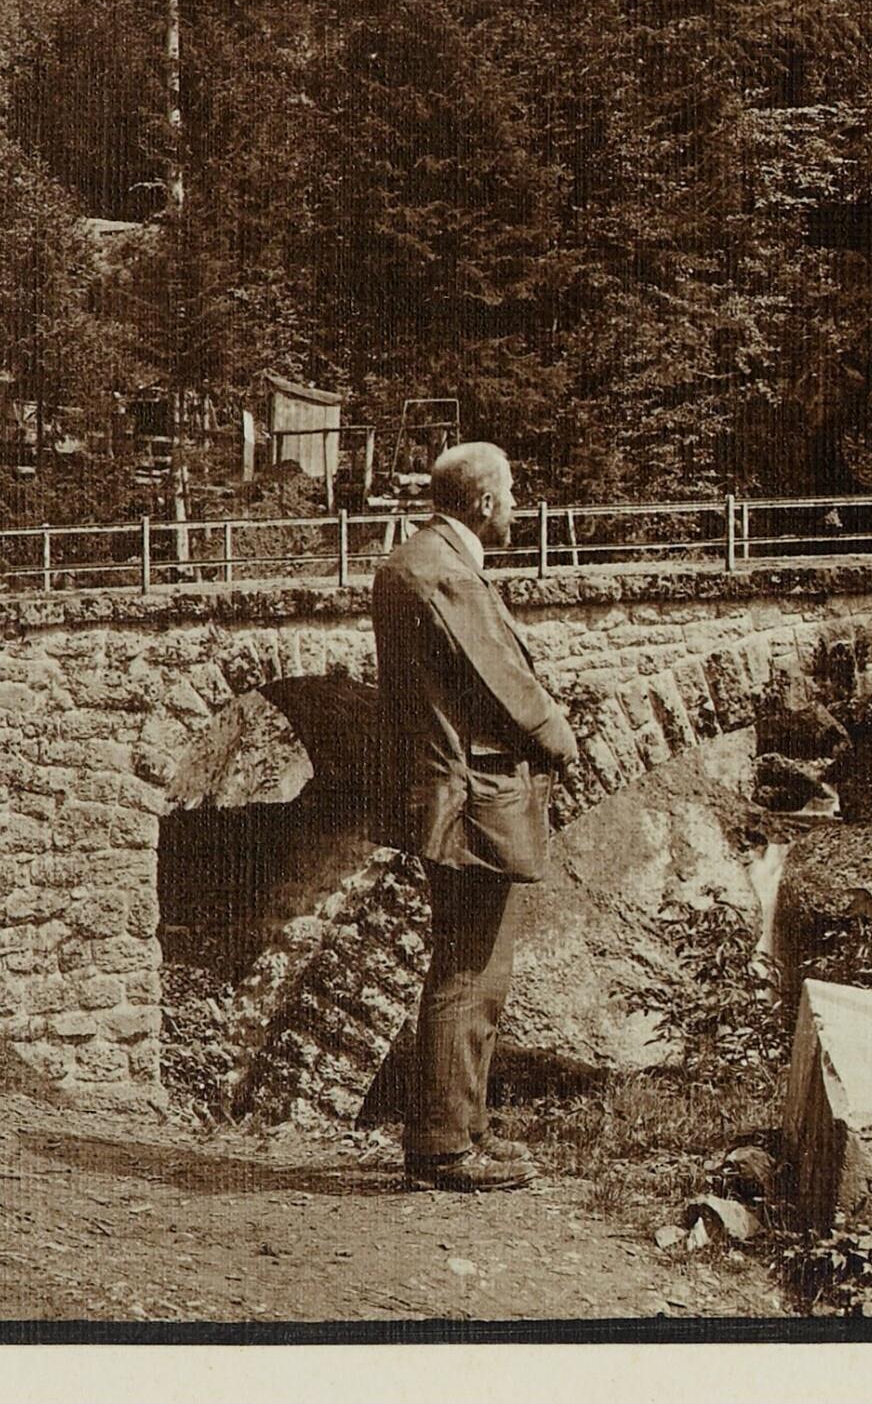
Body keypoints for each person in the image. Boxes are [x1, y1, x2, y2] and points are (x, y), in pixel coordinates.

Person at [369, 440, 581, 1191]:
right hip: (470, 798)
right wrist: (559, 737)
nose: (518, 506)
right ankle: (443, 1146)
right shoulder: (446, 574)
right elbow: (502, 681)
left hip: (447, 787)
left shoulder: (412, 560)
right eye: (512, 492)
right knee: (470, 970)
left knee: (473, 966)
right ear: (485, 502)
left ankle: (465, 1127)